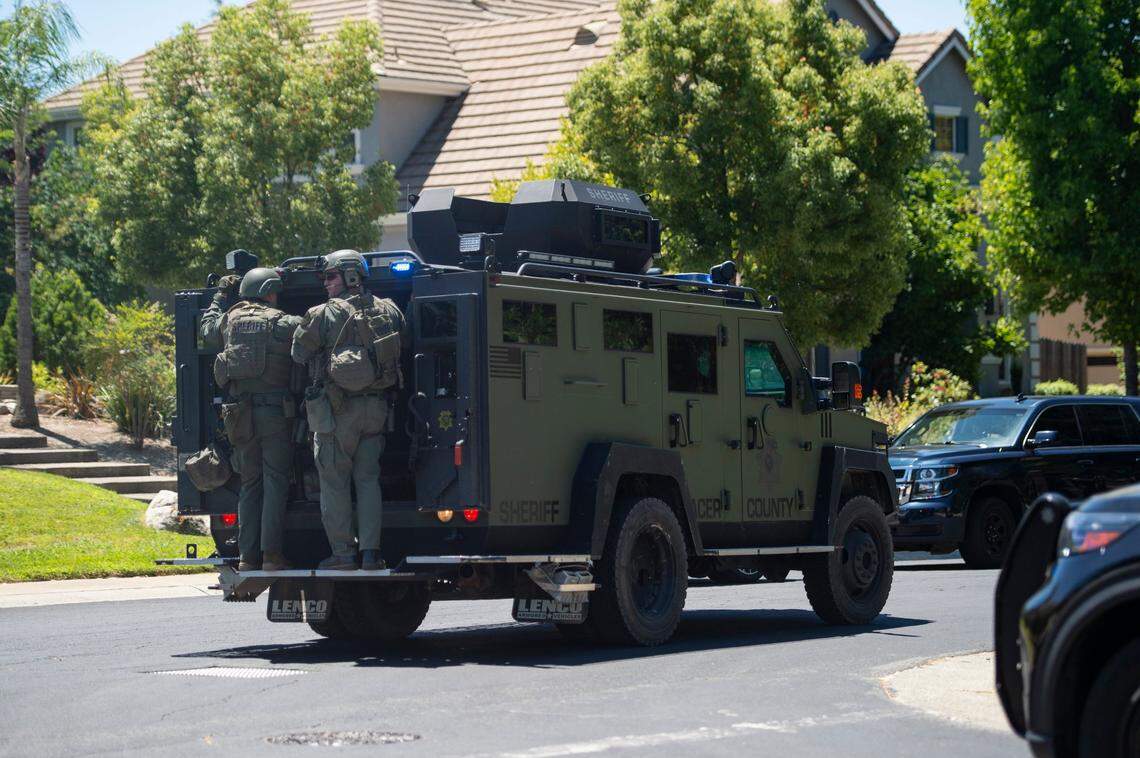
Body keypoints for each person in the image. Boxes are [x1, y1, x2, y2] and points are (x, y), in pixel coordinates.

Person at [292, 250, 407, 571]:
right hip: (377, 410)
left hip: (337, 412)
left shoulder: (321, 314)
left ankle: (343, 554)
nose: (325, 283)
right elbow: (404, 342)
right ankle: (371, 554)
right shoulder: (389, 309)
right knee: (368, 480)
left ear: (351, 275)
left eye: (330, 276)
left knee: (334, 482)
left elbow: (299, 354)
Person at [200, 267, 301, 572]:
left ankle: (247, 557)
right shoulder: (282, 322)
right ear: (269, 292)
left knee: (249, 484)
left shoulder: (229, 321)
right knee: (275, 482)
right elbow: (313, 333)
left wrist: (219, 295)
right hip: (274, 415)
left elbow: (205, 329)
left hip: (239, 416)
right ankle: (271, 555)